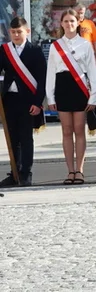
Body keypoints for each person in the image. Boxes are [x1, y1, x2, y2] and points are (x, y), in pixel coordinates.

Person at [46, 9, 96, 184]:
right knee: (66, 131)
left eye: (72, 21)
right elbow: (51, 72)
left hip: (80, 88)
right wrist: (50, 97)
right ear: (61, 24)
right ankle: (70, 171)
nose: (69, 24)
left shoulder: (85, 44)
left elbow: (92, 71)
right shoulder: (56, 46)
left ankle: (80, 170)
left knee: (79, 130)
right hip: (62, 87)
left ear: (78, 23)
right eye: (66, 21)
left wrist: (93, 97)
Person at [0, 17, 45, 187]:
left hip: (28, 101)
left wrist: (38, 102)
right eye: (13, 32)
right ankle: (14, 173)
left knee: (26, 138)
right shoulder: (4, 50)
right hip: (9, 100)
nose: (16, 35)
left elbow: (41, 79)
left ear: (27, 31)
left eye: (19, 31)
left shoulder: (35, 51)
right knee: (12, 138)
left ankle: (26, 174)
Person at [74, 4, 96, 136]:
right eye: (78, 12)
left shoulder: (89, 23)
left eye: (83, 12)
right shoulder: (71, 24)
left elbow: (95, 42)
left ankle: (91, 118)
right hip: (74, 64)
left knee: (89, 90)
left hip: (88, 62)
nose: (80, 14)